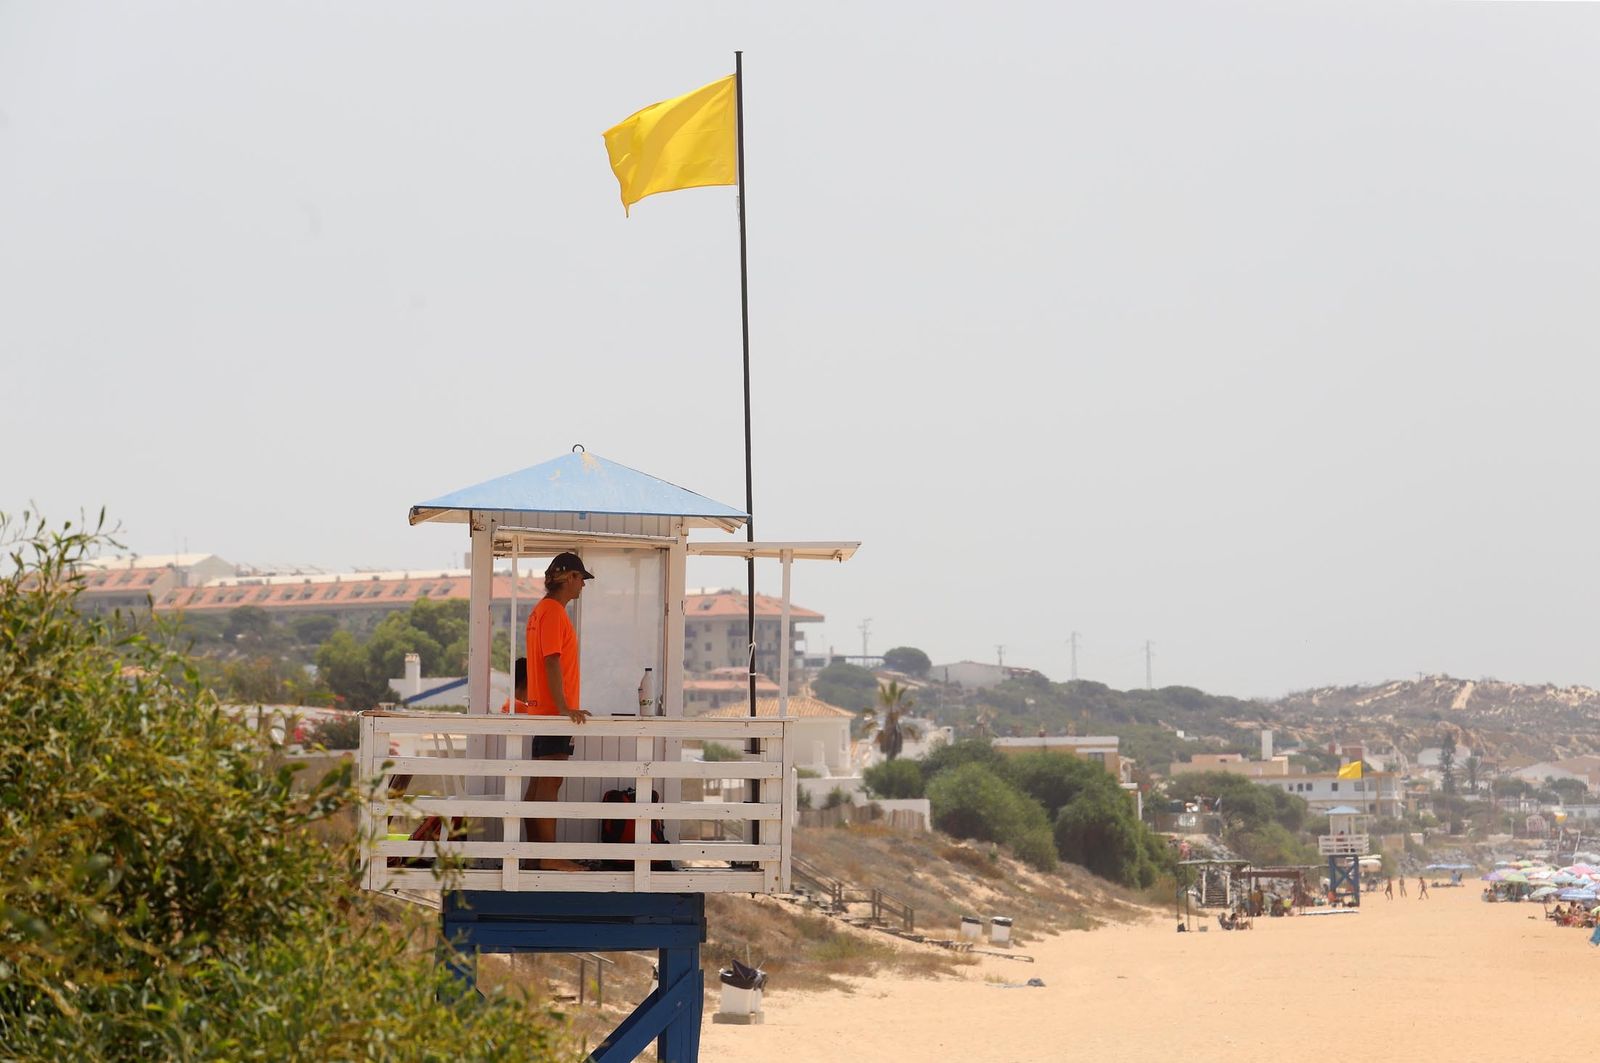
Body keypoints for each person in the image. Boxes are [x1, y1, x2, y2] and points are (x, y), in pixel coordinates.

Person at [518, 551, 594, 871]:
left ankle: (537, 855)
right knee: (549, 784)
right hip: (552, 713)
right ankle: (547, 857)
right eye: (581, 579)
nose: (583, 586)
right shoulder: (552, 612)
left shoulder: (540, 611)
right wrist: (564, 708)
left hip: (543, 712)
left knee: (539, 785)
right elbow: (551, 659)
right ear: (569, 578)